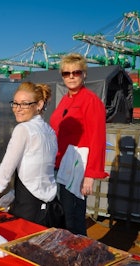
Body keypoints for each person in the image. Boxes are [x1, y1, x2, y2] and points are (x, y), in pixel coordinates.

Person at [0, 82, 60, 227]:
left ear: (39, 104)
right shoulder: (50, 131)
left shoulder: (23, 129)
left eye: (24, 104)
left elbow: (4, 172)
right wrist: (15, 192)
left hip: (30, 209)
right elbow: (38, 169)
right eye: (15, 103)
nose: (17, 109)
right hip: (51, 206)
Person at [49, 53, 108, 236]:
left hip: (76, 170)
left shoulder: (91, 101)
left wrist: (90, 175)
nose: (71, 76)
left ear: (84, 74)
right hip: (59, 166)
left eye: (76, 72)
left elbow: (97, 139)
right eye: (66, 73)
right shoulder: (65, 100)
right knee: (62, 216)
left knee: (73, 219)